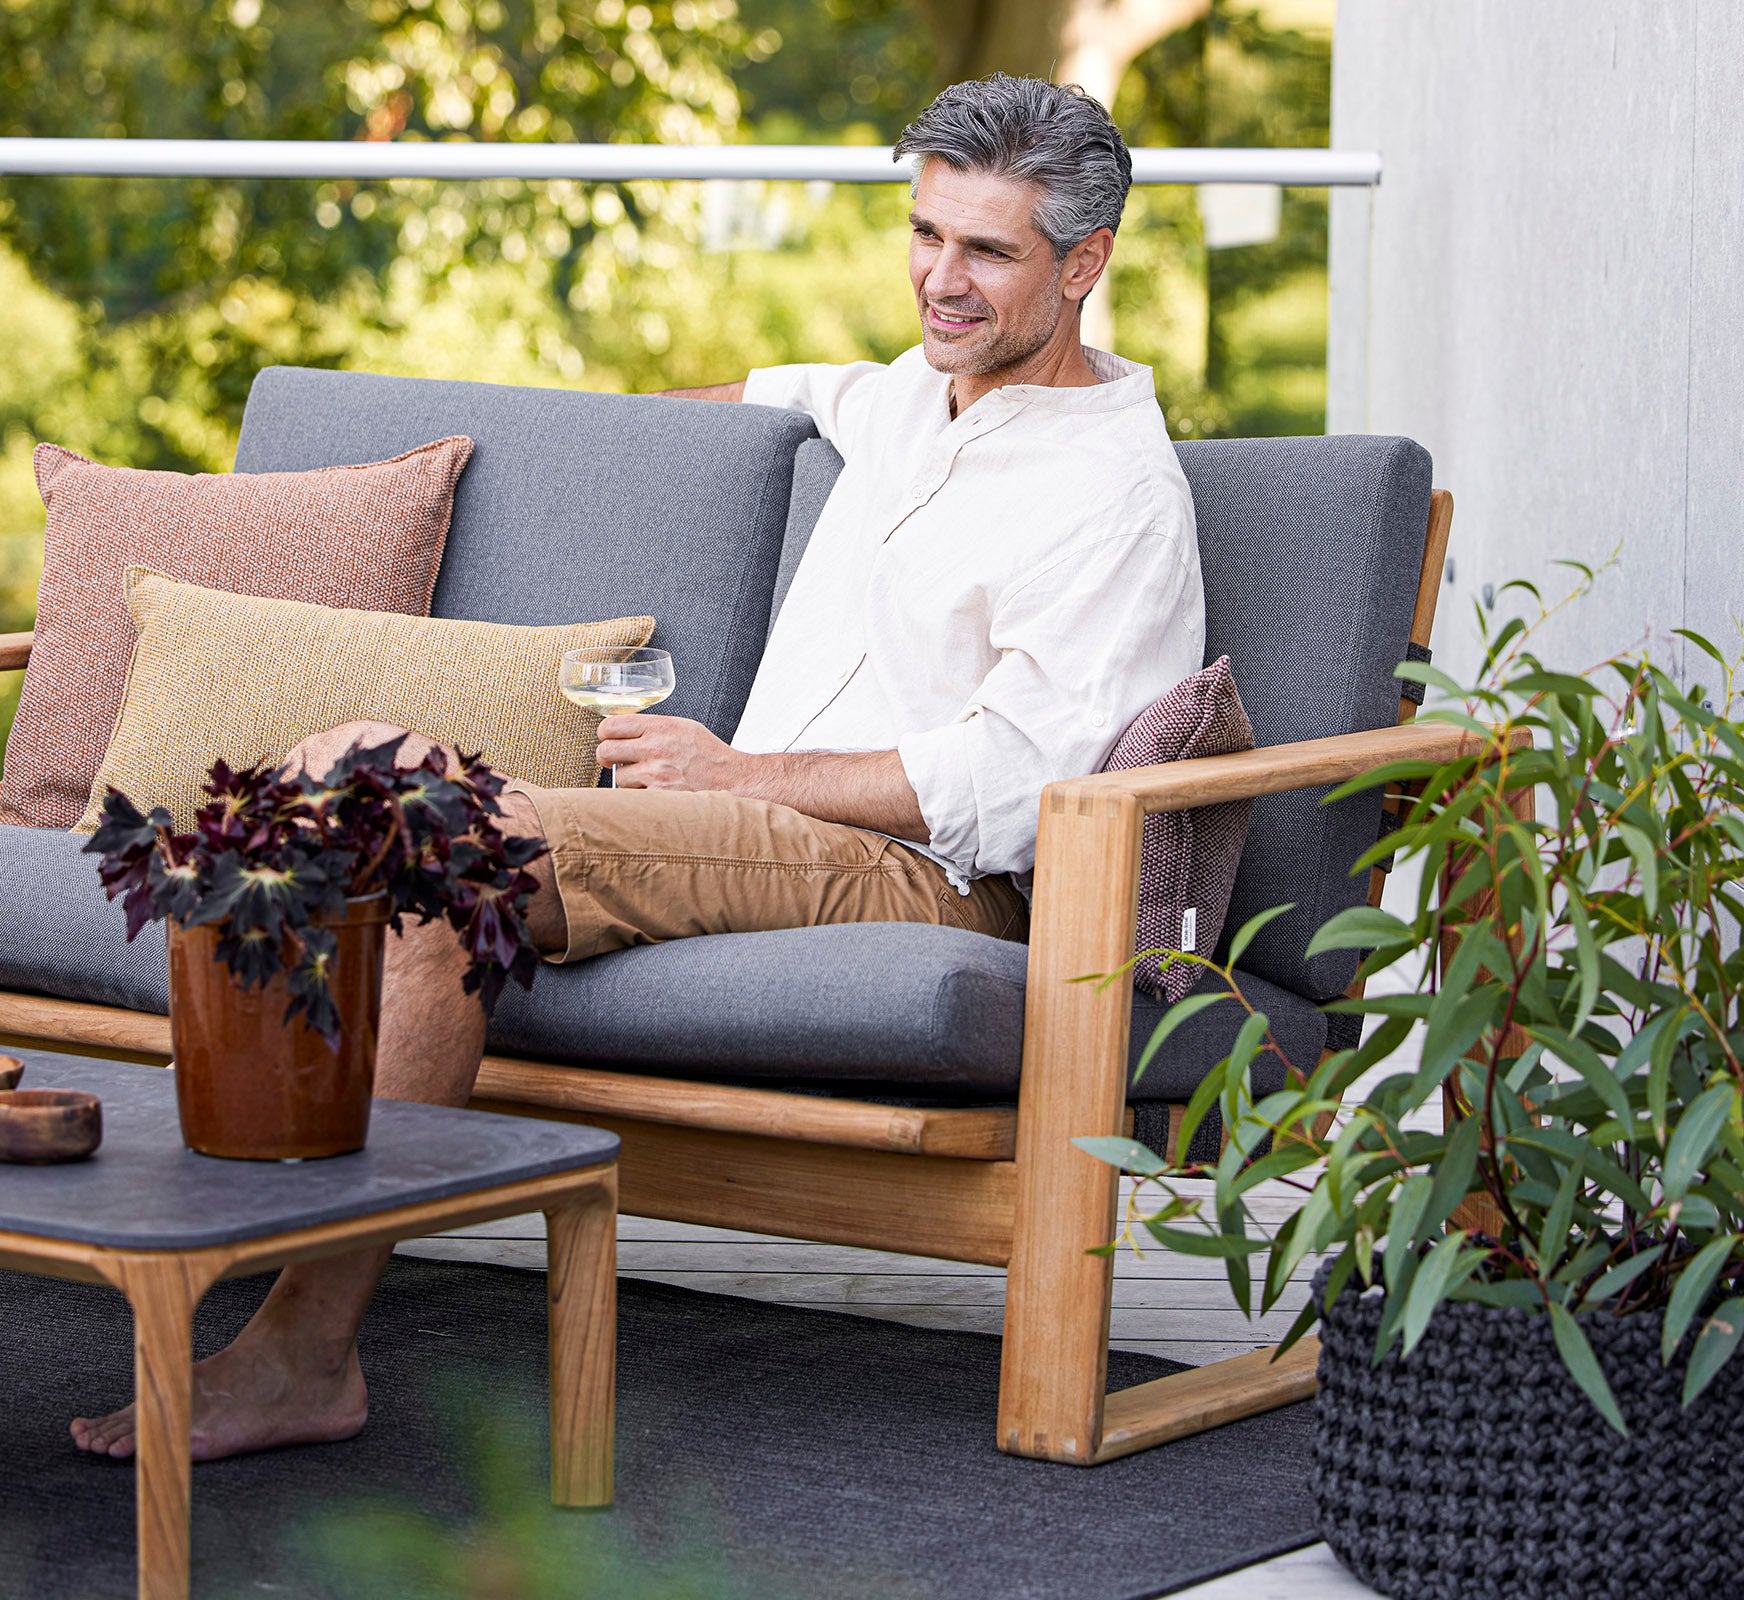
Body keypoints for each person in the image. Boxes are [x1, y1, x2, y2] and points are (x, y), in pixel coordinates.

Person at [70, 72, 1205, 1463]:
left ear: (1084, 263)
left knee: (384, 788)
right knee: (353, 793)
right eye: (924, 234)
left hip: (927, 876)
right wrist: (585, 447)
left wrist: (742, 778)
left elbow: (1017, 786)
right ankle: (266, 1307)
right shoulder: (919, 398)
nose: (940, 281)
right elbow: (746, 401)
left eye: (986, 251)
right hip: (758, 826)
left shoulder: (1120, 497)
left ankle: (287, 1330)